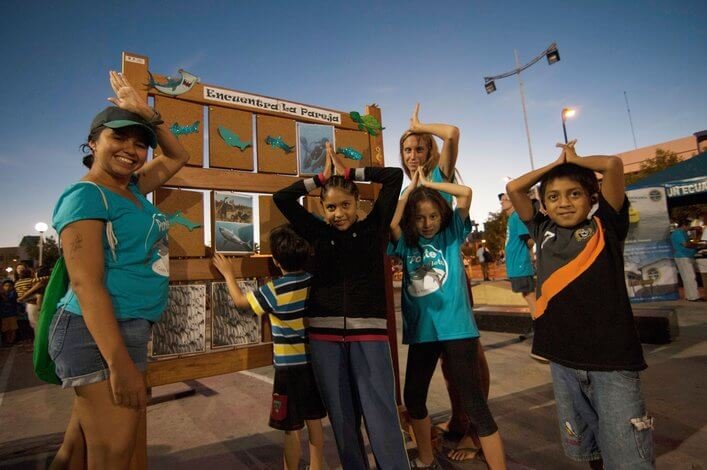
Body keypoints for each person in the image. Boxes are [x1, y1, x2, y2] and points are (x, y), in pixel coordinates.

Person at [48, 71, 190, 470]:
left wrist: (147, 113)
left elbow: (179, 156)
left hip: (127, 325)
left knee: (85, 449)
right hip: (96, 331)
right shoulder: (85, 195)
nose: (131, 149)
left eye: (140, 142)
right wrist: (119, 363)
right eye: (118, 137)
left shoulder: (130, 188)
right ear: (93, 143)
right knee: (115, 453)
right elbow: (85, 282)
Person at [506, 140, 655, 469]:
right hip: (563, 363)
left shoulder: (606, 226)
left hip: (613, 365)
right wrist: (556, 165)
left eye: (574, 193)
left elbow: (614, 165)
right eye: (553, 197)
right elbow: (514, 187)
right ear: (543, 204)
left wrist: (575, 161)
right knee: (591, 452)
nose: (563, 203)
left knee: (629, 458)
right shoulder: (541, 229)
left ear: (592, 198)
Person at [273, 143, 410, 469]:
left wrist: (348, 172)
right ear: (322, 209)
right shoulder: (318, 232)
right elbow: (282, 198)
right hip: (324, 339)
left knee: (381, 415)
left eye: (345, 205)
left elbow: (393, 177)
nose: (338, 214)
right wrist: (320, 179)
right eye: (331, 207)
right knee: (343, 420)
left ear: (358, 202)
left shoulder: (374, 227)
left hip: (371, 336)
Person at [390, 169, 507, 469]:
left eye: (432, 216)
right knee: (413, 398)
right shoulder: (406, 244)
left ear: (442, 216)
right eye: (419, 217)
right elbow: (392, 222)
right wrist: (410, 192)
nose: (427, 223)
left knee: (475, 405)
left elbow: (465, 193)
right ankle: (427, 458)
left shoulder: (452, 234)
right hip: (423, 333)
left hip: (457, 331)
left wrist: (428, 184)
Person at [400, 104, 488, 458]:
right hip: (424, 283)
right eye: (407, 149)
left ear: (430, 151)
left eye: (419, 147)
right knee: (443, 365)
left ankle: (476, 433)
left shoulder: (439, 171)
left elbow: (452, 133)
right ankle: (458, 421)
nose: (412, 155)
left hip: (448, 275)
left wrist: (421, 125)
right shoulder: (410, 187)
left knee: (465, 362)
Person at [212, 225, 326, 470]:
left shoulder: (273, 291)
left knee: (291, 428)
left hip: (288, 370)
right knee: (315, 420)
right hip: (313, 365)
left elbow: (242, 302)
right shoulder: (313, 283)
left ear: (275, 260)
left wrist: (229, 274)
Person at [670, 219, 703, 301]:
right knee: (690, 277)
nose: (689, 228)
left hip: (684, 256)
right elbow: (685, 244)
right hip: (682, 256)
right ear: (684, 225)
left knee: (688, 277)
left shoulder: (682, 232)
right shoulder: (678, 233)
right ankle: (693, 297)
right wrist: (697, 246)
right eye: (688, 226)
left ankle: (690, 296)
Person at [1, 280, 19, 346]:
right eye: (6, 286)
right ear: (3, 287)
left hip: (12, 314)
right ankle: (8, 341)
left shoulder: (13, 293)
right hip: (4, 315)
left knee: (13, 328)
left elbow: (8, 300)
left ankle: (11, 341)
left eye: (10, 286)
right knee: (6, 329)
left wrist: (2, 294)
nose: (8, 287)